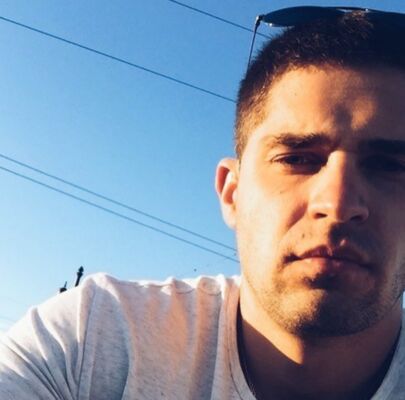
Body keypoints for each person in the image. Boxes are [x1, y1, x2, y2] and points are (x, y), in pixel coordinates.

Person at [1, 6, 405, 399]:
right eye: (296, 159)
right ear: (232, 193)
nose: (337, 203)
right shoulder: (93, 339)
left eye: (390, 166)